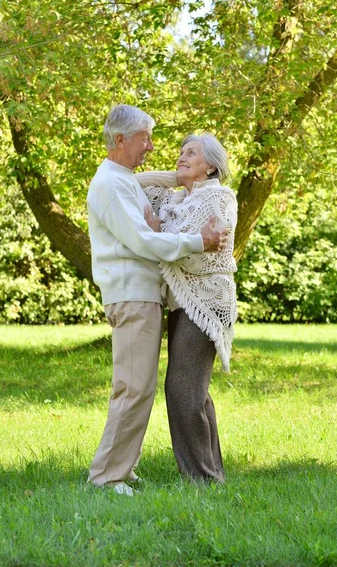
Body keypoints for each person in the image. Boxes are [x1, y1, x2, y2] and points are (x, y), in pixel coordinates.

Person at [87, 106, 228, 496]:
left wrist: (196, 178)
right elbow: (144, 241)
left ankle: (122, 466)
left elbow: (154, 189)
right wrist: (199, 240)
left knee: (140, 387)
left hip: (143, 295)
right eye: (145, 138)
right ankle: (107, 476)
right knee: (133, 387)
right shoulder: (112, 184)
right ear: (120, 140)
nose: (151, 146)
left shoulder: (123, 179)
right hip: (131, 295)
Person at [136, 133, 237, 483]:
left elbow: (195, 256)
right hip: (182, 304)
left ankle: (202, 478)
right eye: (180, 151)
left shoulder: (217, 198)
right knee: (194, 392)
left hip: (205, 304)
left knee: (183, 391)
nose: (181, 156)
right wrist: (176, 175)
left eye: (191, 153)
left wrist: (158, 234)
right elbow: (134, 184)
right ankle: (211, 474)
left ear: (211, 165)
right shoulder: (178, 198)